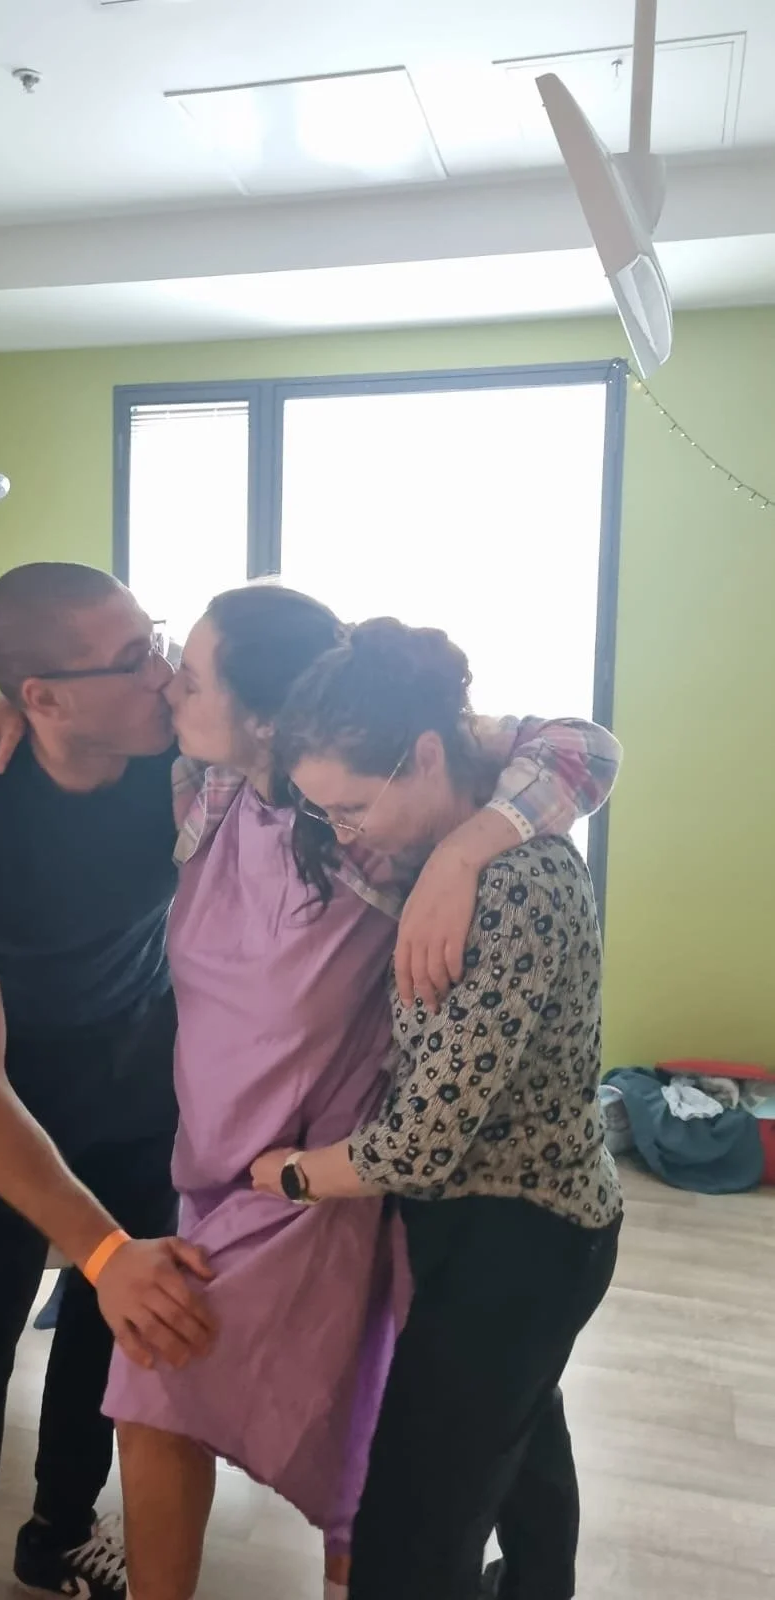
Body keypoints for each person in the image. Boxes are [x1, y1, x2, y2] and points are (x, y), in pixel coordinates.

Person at [0, 584, 621, 1600]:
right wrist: (18, 703)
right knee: (490, 1417)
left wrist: (465, 846)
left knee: (228, 1389)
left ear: (263, 713)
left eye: (191, 669)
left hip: (335, 1175)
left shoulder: (375, 827)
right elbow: (83, 729)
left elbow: (583, 745)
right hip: (216, 1161)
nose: (170, 678)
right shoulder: (199, 787)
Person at [252, 616, 624, 1600]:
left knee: (411, 1538)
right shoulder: (426, 847)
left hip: (525, 1237)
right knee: (517, 1442)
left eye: (354, 805)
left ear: (425, 755)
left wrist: (289, 1174)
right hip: (499, 1225)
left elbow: (419, 1143)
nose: (344, 834)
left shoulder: (511, 887)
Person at [0, 564, 215, 1600]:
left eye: (153, 639)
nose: (164, 674)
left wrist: (111, 1259)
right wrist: (97, 1244)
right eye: (133, 661)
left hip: (138, 1074)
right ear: (42, 697)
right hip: (11, 1098)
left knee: (108, 1318)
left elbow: (335, 683)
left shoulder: (179, 765)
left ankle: (60, 1534)